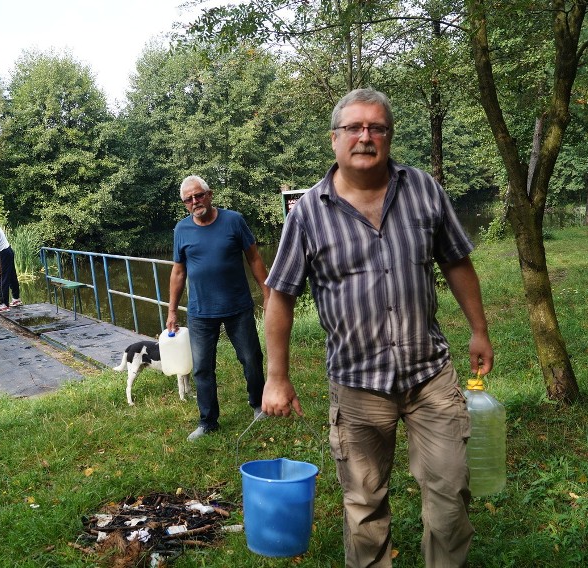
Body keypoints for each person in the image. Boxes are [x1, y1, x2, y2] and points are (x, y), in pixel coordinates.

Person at [262, 88, 494, 567]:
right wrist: (276, 376)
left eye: (377, 127)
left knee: (450, 501)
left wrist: (479, 329)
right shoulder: (307, 212)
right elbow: (280, 296)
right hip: (357, 384)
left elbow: (456, 261)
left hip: (429, 375)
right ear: (334, 139)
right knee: (365, 509)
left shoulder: (423, 189)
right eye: (354, 127)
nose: (365, 137)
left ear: (388, 137)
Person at [167, 175, 271, 442]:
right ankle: (208, 421)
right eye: (188, 199)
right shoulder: (181, 230)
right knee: (202, 367)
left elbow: (254, 258)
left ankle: (258, 404)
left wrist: (268, 294)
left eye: (198, 195)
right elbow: (178, 273)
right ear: (185, 204)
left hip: (238, 306)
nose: (195, 202)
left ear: (209, 194)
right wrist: (171, 311)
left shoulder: (234, 220)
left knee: (250, 358)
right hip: (200, 312)